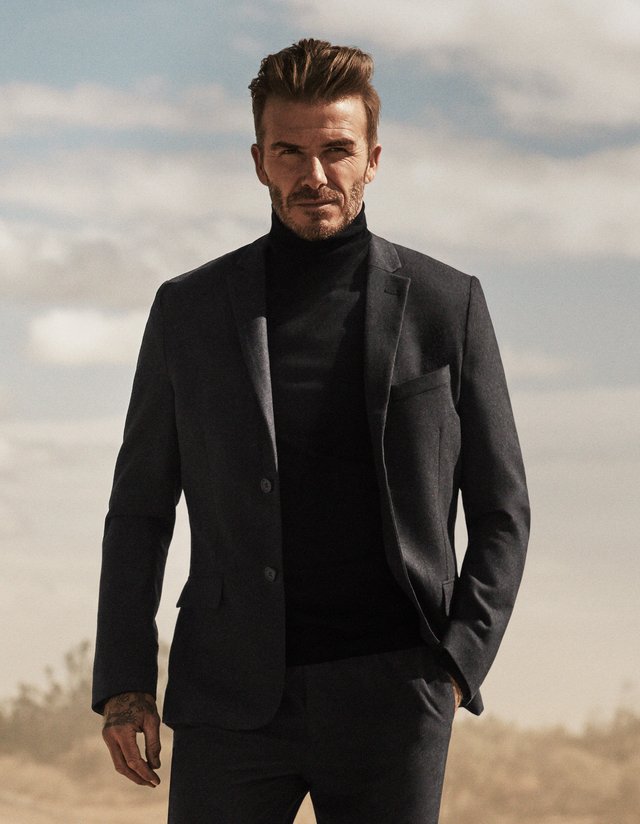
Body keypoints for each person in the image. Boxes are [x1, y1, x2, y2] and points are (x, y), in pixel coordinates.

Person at [93, 38, 530, 824]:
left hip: (393, 697)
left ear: (373, 159)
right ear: (259, 161)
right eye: (290, 152)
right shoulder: (188, 311)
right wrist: (125, 684)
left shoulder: (448, 304)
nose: (315, 175)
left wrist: (458, 663)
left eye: (337, 150)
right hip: (228, 699)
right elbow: (140, 509)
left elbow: (503, 510)